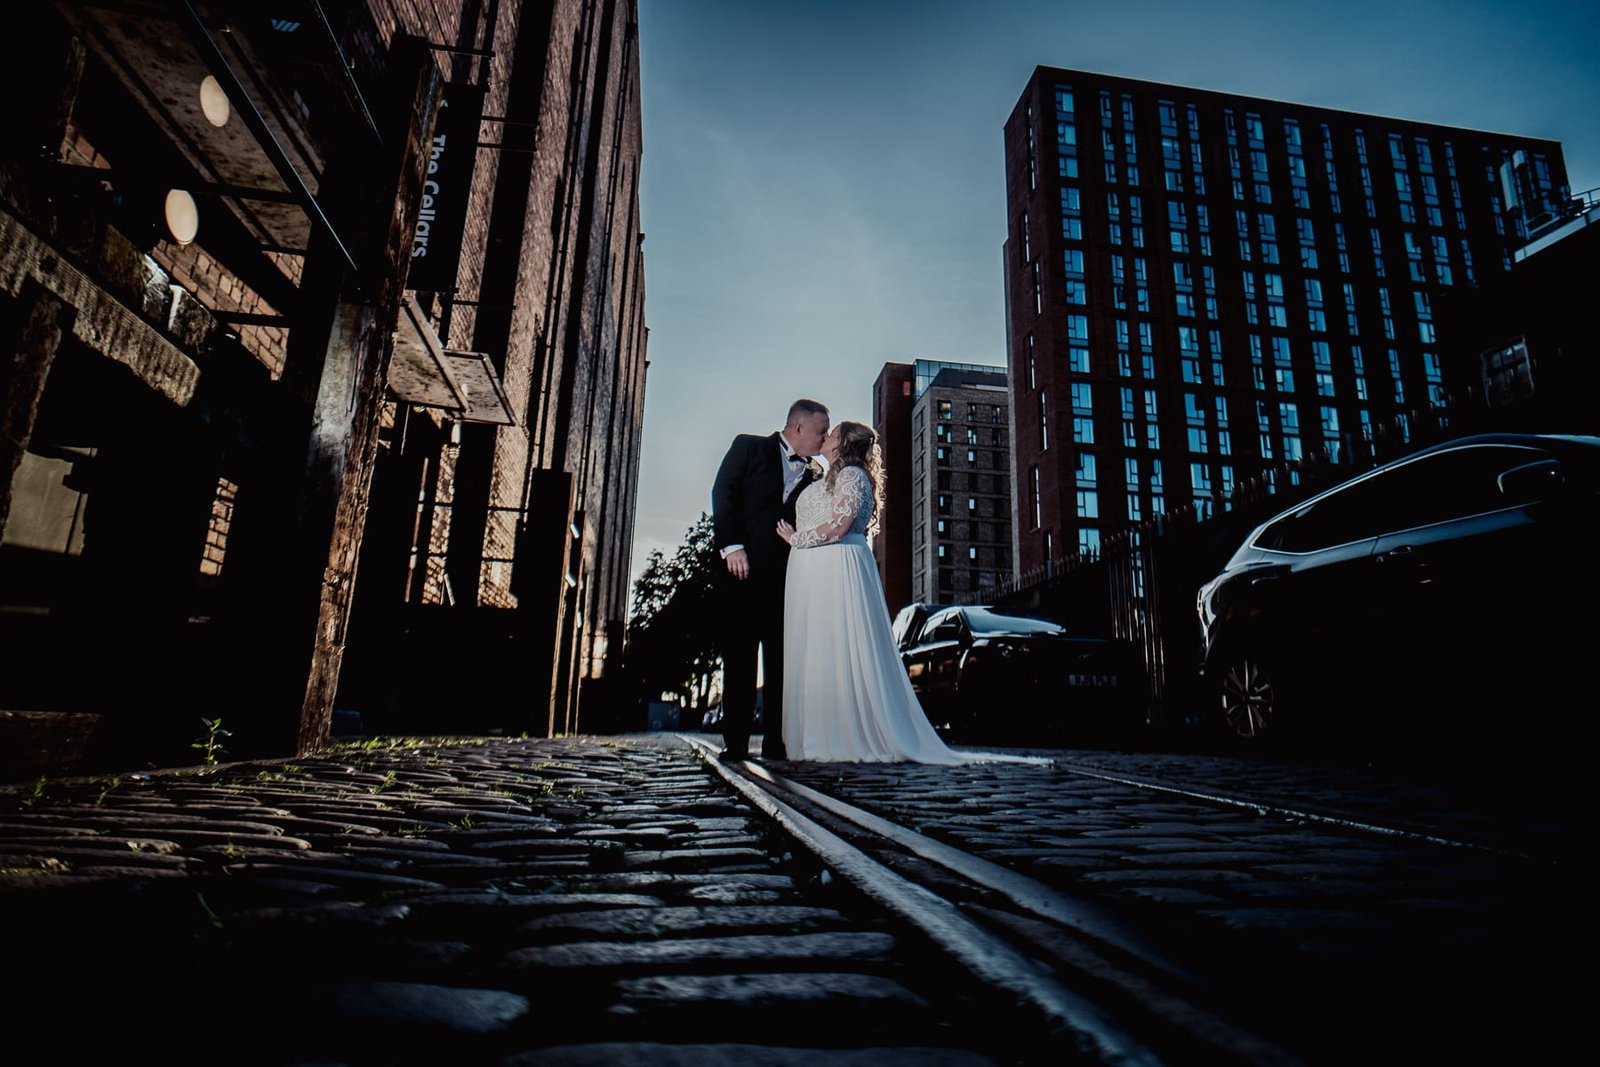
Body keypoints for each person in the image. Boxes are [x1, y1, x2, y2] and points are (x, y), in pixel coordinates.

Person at [777, 421, 1024, 764]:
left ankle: (844, 734)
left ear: (844, 443)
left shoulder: (852, 476)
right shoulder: (827, 476)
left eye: (833, 433)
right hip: (815, 573)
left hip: (839, 568)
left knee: (842, 644)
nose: (827, 435)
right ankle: (820, 730)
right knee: (821, 649)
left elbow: (839, 526)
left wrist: (796, 539)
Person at [710, 398, 831, 762]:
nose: (824, 439)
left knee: (783, 661)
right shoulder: (748, 447)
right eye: (821, 431)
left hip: (790, 580)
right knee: (740, 656)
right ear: (798, 428)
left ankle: (778, 743)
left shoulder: (817, 475)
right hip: (741, 571)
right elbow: (723, 492)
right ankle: (735, 743)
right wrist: (731, 547)